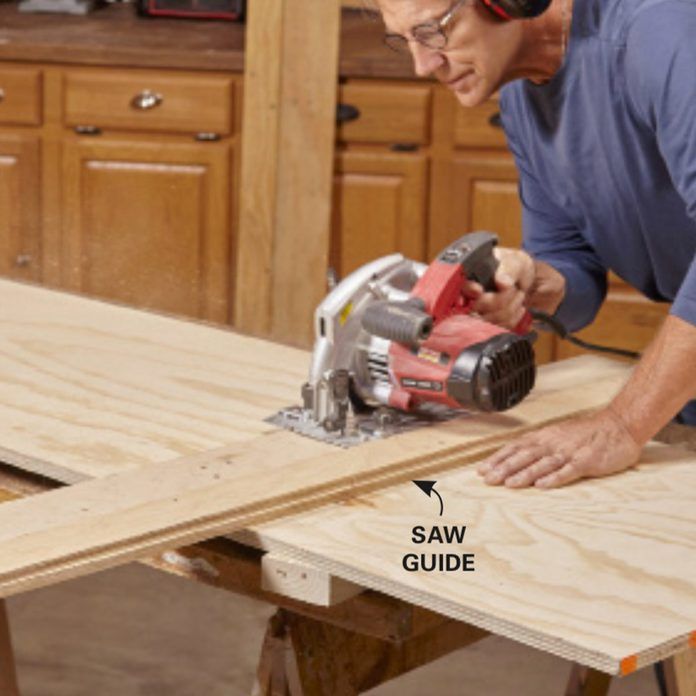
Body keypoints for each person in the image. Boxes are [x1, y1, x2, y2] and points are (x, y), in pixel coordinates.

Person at [374, 0, 696, 488]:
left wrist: (623, 424)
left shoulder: (663, 32)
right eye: (404, 42)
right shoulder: (522, 99)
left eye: (432, 32)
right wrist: (532, 285)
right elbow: (574, 264)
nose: (424, 65)